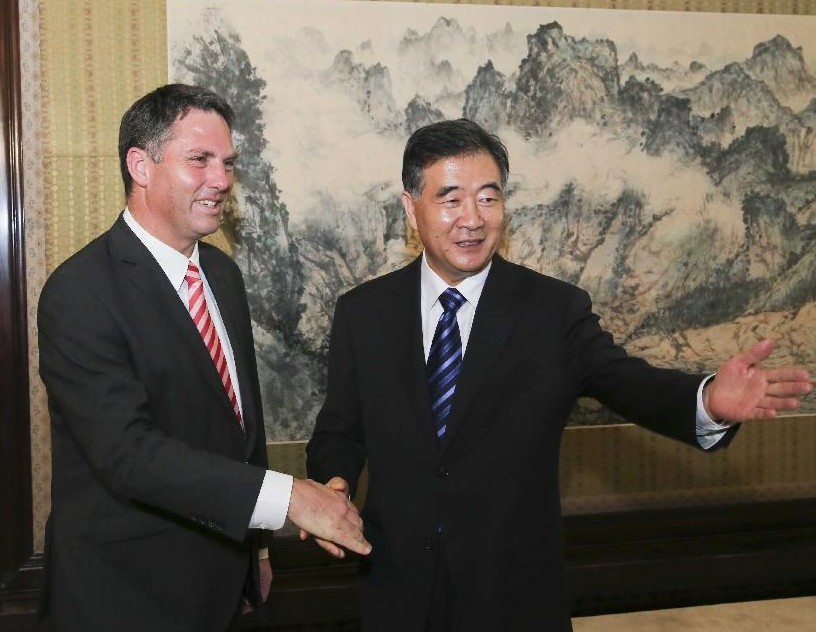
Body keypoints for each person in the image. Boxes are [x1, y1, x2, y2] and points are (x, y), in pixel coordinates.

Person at [305, 118, 813, 631]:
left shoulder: (552, 311)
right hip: (399, 593)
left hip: (514, 599)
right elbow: (340, 428)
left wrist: (707, 402)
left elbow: (629, 382)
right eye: (450, 198)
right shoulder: (363, 313)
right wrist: (334, 483)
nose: (472, 219)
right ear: (410, 209)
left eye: (488, 198)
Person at [36, 83, 370, 632]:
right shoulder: (80, 292)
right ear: (140, 165)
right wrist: (289, 498)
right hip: (124, 595)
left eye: (228, 163)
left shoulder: (222, 274)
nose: (222, 180)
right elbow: (128, 455)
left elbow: (239, 429)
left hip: (221, 583)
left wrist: (255, 551)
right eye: (200, 160)